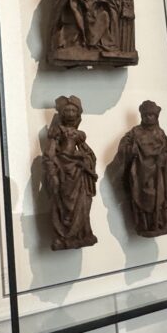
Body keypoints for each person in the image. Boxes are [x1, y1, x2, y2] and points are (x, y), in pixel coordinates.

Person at [43, 95, 98, 250]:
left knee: (82, 204)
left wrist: (86, 159)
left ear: (78, 114)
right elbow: (50, 153)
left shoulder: (79, 134)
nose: (71, 114)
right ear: (62, 113)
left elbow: (88, 153)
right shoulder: (57, 131)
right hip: (63, 171)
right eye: (67, 110)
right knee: (63, 205)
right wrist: (52, 173)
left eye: (74, 111)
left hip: (78, 172)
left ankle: (82, 234)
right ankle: (63, 236)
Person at [117, 101, 167, 237]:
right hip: (140, 174)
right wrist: (131, 150)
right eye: (146, 115)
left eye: (152, 115)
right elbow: (123, 148)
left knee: (159, 199)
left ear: (156, 117)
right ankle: (145, 224)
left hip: (157, 174)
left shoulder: (160, 133)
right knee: (143, 199)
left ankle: (161, 222)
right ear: (142, 116)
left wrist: (164, 158)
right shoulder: (135, 132)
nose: (149, 117)